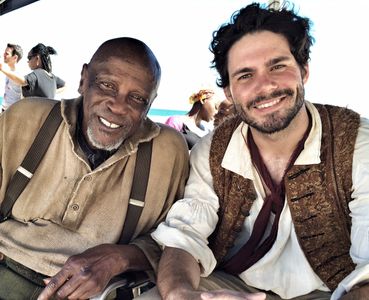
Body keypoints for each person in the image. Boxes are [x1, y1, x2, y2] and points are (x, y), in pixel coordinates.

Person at [146, 3, 369, 300]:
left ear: (303, 71)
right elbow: (185, 238)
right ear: (229, 92)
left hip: (333, 291)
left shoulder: (356, 142)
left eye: (277, 66)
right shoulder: (213, 150)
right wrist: (182, 294)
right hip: (232, 286)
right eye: (245, 75)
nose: (265, 86)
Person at [0, 37, 189, 299]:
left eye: (137, 98)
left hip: (98, 292)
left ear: (151, 102)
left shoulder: (167, 151)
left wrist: (119, 258)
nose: (118, 106)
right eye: (107, 85)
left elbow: (177, 241)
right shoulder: (26, 117)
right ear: (83, 79)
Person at [0, 43, 66, 99]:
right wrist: (53, 91)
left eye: (29, 58)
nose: (28, 61)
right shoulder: (52, 77)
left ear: (37, 58)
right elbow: (65, 85)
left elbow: (23, 81)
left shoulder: (38, 74)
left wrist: (2, 69)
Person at [0, 43, 23, 111]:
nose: (4, 55)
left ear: (15, 57)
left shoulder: (19, 74)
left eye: (7, 54)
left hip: (14, 112)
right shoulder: (9, 71)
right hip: (5, 110)